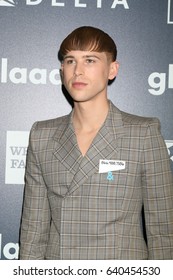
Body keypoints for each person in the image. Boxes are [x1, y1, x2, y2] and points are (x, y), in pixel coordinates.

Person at [19, 26, 173, 260]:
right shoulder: (42, 135)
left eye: (90, 60)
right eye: (70, 61)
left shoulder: (143, 133)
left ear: (112, 69)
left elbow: (163, 232)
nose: (78, 71)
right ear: (62, 70)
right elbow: (33, 230)